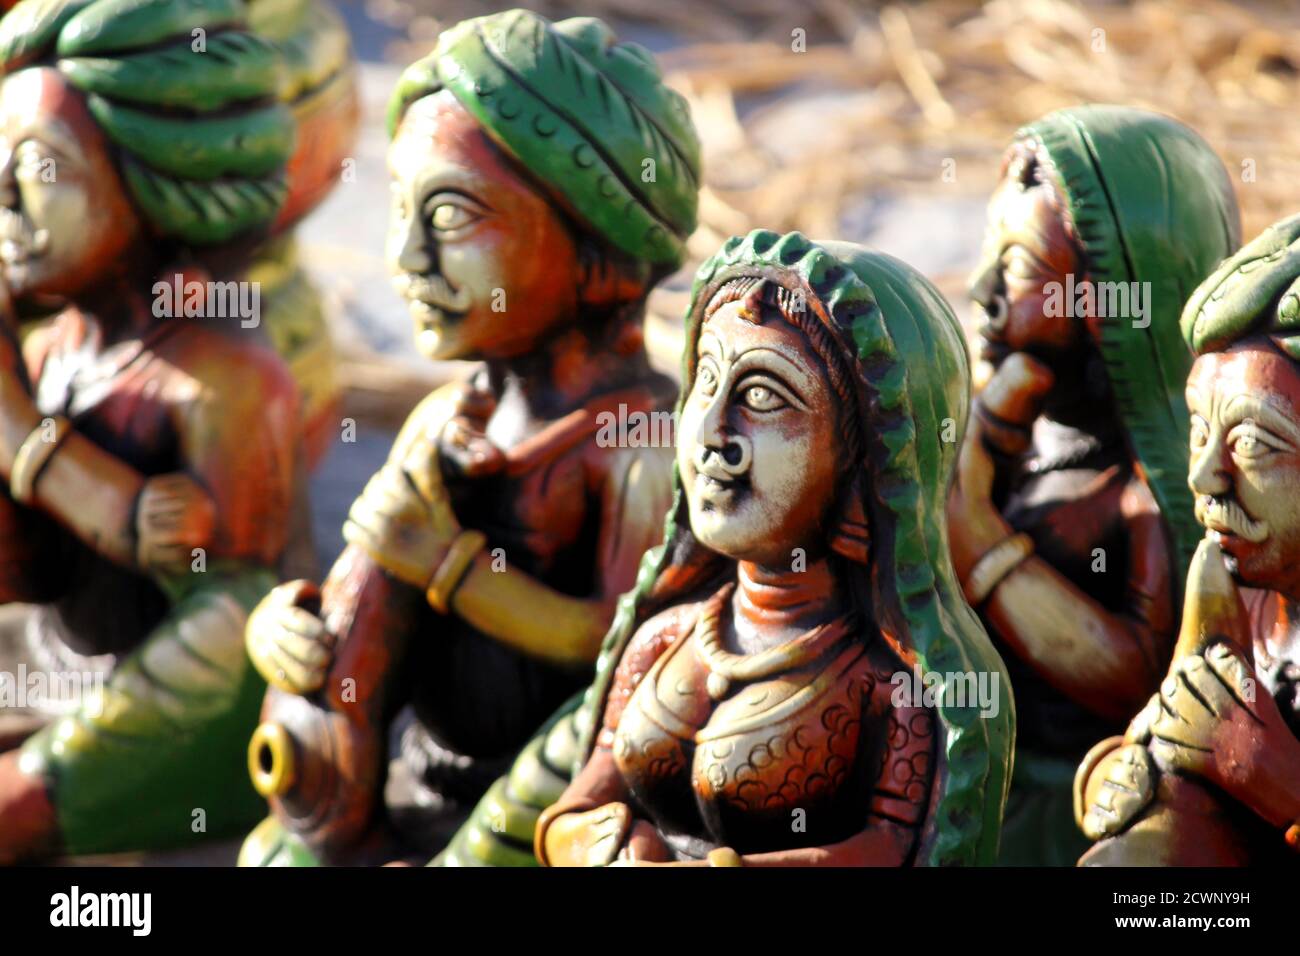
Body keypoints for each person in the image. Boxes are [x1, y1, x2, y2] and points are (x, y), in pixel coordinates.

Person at [239, 9, 700, 866]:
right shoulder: (451, 419)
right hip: (422, 778)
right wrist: (289, 622)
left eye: (449, 216)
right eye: (400, 212)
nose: (406, 258)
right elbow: (369, 576)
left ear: (596, 250)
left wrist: (449, 568)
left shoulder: (639, 445)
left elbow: (625, 649)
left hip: (552, 803)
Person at [538, 230, 1013, 867]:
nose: (711, 433)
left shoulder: (885, 689)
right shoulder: (662, 639)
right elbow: (567, 815)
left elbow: (895, 851)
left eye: (762, 397)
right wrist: (610, 850)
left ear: (865, 461)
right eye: (705, 382)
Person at [0, 0, 315, 861]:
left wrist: (18, 426)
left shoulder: (229, 377)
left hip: (177, 694)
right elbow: (33, 561)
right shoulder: (56, 346)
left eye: (36, 169)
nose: (5, 201)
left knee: (234, 627)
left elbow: (208, 570)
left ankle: (49, 795)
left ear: (157, 185)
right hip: (52, 656)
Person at [948, 105, 1240, 863]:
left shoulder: (1153, 494)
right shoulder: (1016, 436)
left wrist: (979, 537)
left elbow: (1134, 678)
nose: (981, 288)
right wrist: (984, 433)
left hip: (1072, 804)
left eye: (1016, 268)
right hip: (971, 771)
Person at [1078, 213, 1300, 865]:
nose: (1206, 476)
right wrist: (1115, 772)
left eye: (1254, 444)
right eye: (1201, 430)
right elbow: (1165, 727)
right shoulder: (1229, 579)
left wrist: (1273, 774)